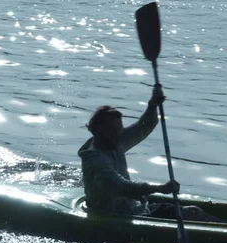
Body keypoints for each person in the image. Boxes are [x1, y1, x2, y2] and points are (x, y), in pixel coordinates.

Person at [78, 85, 217, 221]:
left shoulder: (114, 142)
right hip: (117, 217)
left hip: (133, 210)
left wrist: (152, 106)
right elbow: (121, 186)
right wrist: (160, 188)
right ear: (96, 130)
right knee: (193, 213)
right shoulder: (95, 159)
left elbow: (142, 127)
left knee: (193, 211)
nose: (117, 134)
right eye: (112, 130)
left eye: (119, 129)